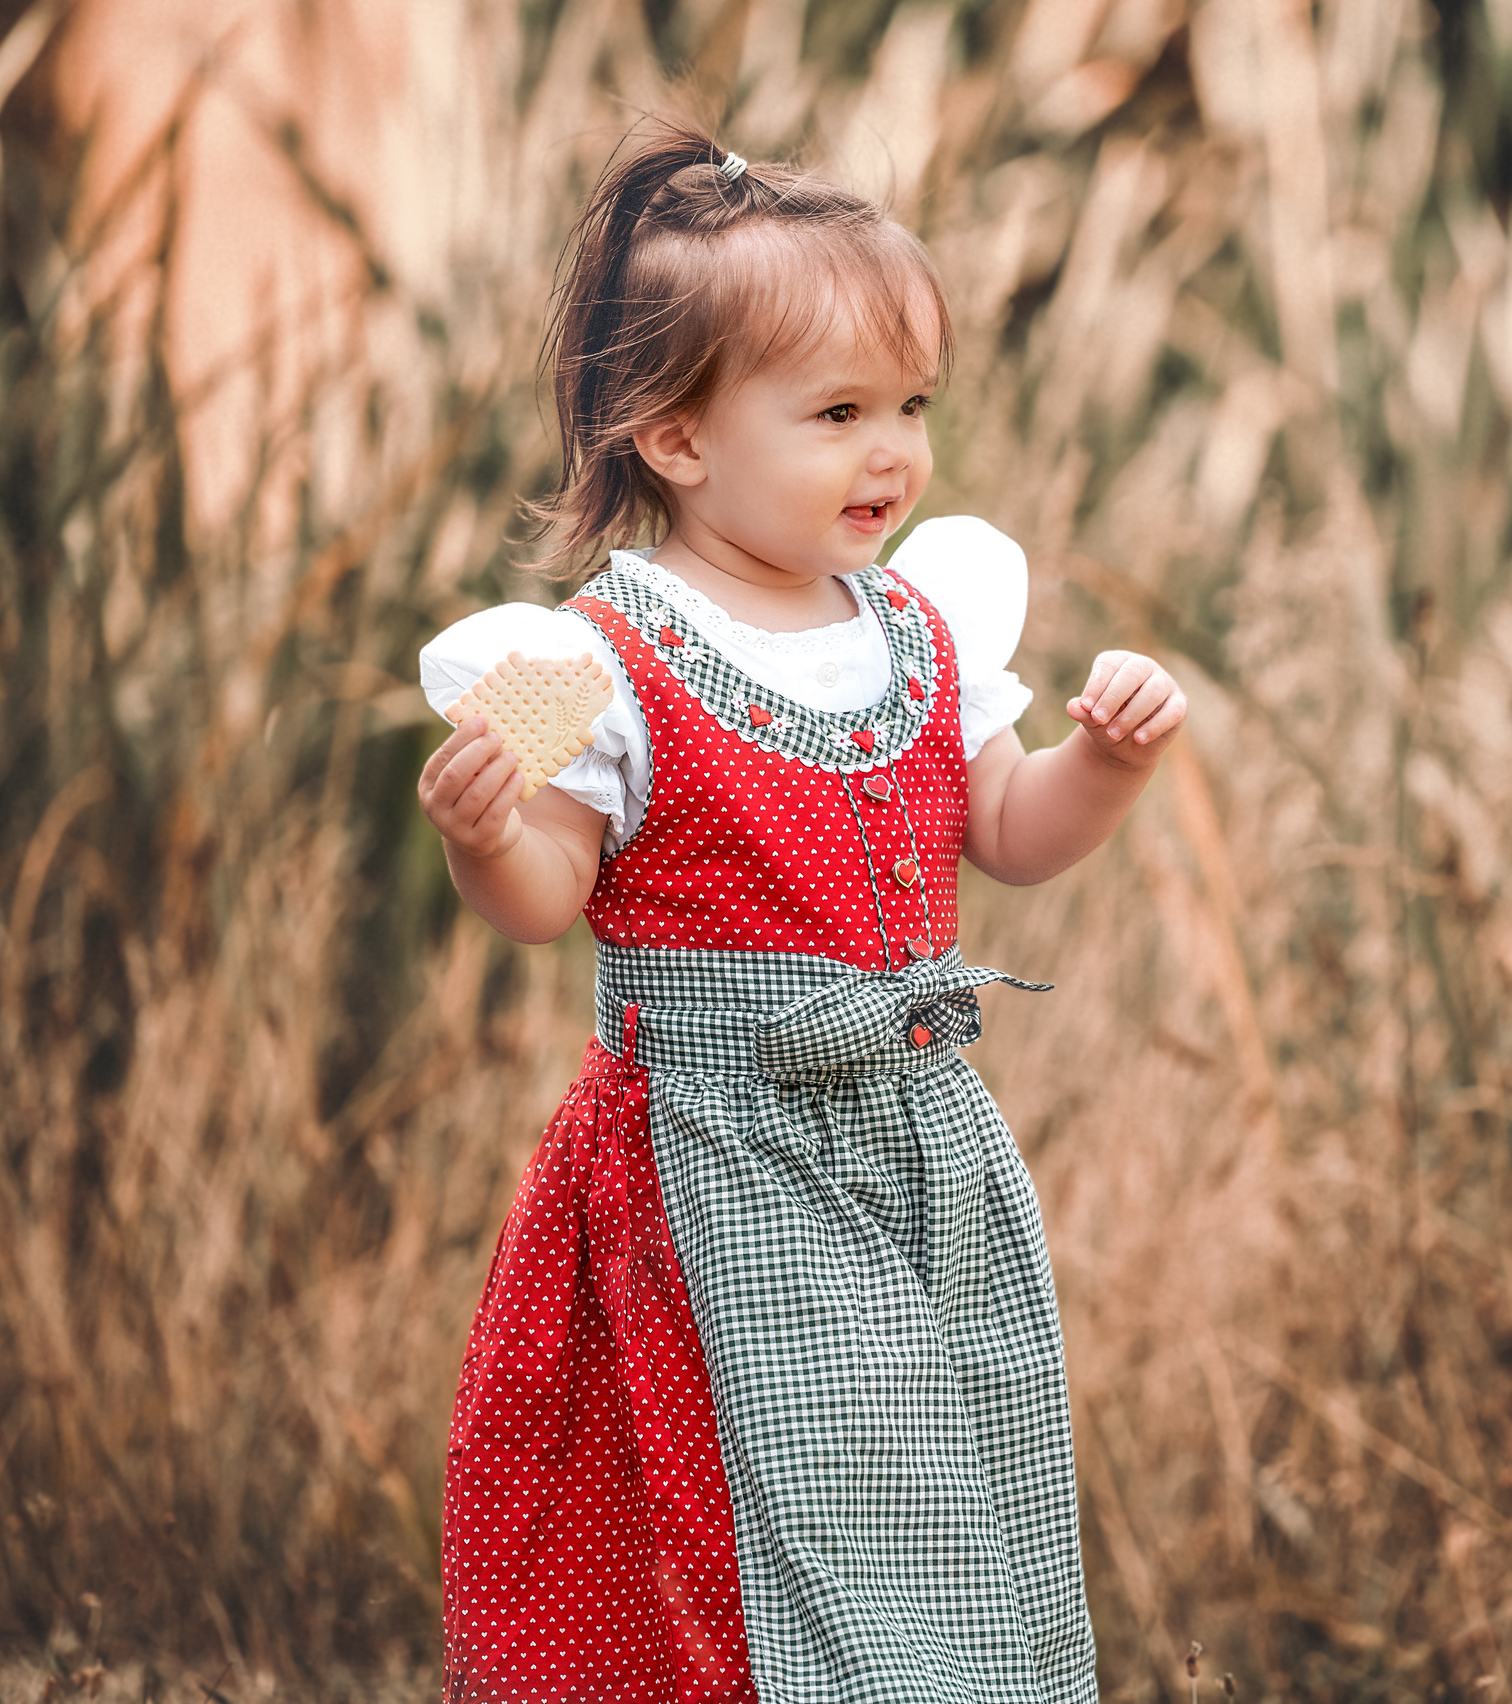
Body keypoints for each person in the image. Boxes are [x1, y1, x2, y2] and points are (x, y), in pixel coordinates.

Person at [414, 124, 1186, 1704]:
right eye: (837, 413)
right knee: (779, 1525)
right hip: (717, 1164)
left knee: (959, 1495)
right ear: (680, 439)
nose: (891, 453)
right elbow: (547, 899)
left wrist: (1099, 765)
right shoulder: (585, 657)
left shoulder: (925, 617)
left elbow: (1008, 835)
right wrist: (485, 835)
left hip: (921, 1146)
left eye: (910, 407)